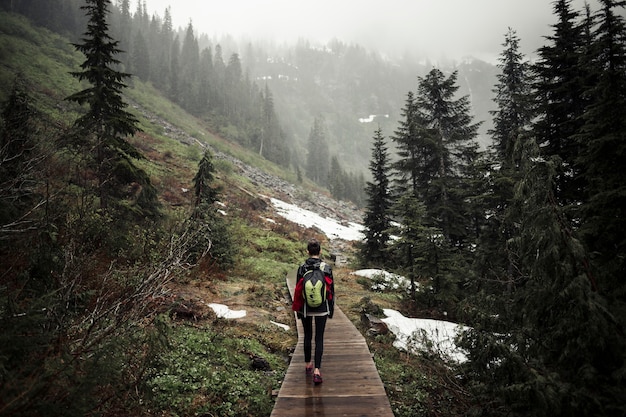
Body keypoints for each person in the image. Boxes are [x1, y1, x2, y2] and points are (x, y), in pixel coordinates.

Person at [292, 238, 334, 385]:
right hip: (322, 309)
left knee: (307, 335)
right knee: (319, 338)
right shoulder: (326, 268)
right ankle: (317, 371)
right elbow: (331, 292)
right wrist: (331, 310)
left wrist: (297, 310)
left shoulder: (302, 267)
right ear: (320, 251)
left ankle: (307, 364)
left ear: (307, 252)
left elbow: (298, 291)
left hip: (305, 309)